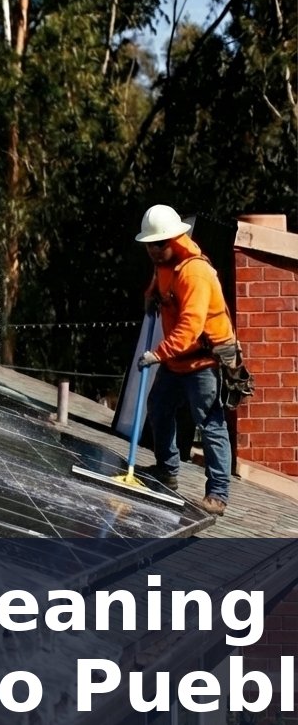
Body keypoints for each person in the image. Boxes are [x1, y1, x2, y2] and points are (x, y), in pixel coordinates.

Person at [134, 204, 235, 516]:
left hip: (203, 361)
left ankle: (218, 494)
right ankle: (166, 470)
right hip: (177, 359)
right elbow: (159, 284)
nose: (153, 249)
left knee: (210, 423)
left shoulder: (194, 273)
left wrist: (157, 354)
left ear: (174, 240)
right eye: (149, 244)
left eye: (158, 243)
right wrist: (150, 295)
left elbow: (191, 327)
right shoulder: (164, 262)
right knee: (159, 407)